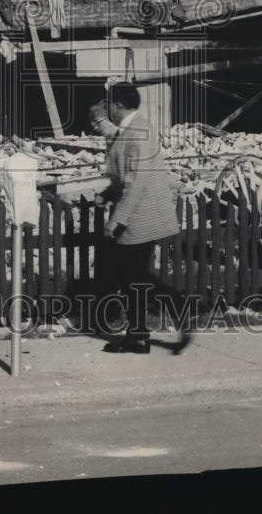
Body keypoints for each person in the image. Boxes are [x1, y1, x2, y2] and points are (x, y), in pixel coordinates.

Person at [100, 82, 193, 354]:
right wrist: (108, 192)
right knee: (131, 278)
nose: (106, 108)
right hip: (137, 213)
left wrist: (116, 220)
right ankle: (138, 337)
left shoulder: (138, 131)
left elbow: (137, 181)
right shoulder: (129, 130)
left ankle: (176, 304)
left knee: (133, 277)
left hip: (140, 216)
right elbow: (128, 172)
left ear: (118, 105)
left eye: (108, 103)